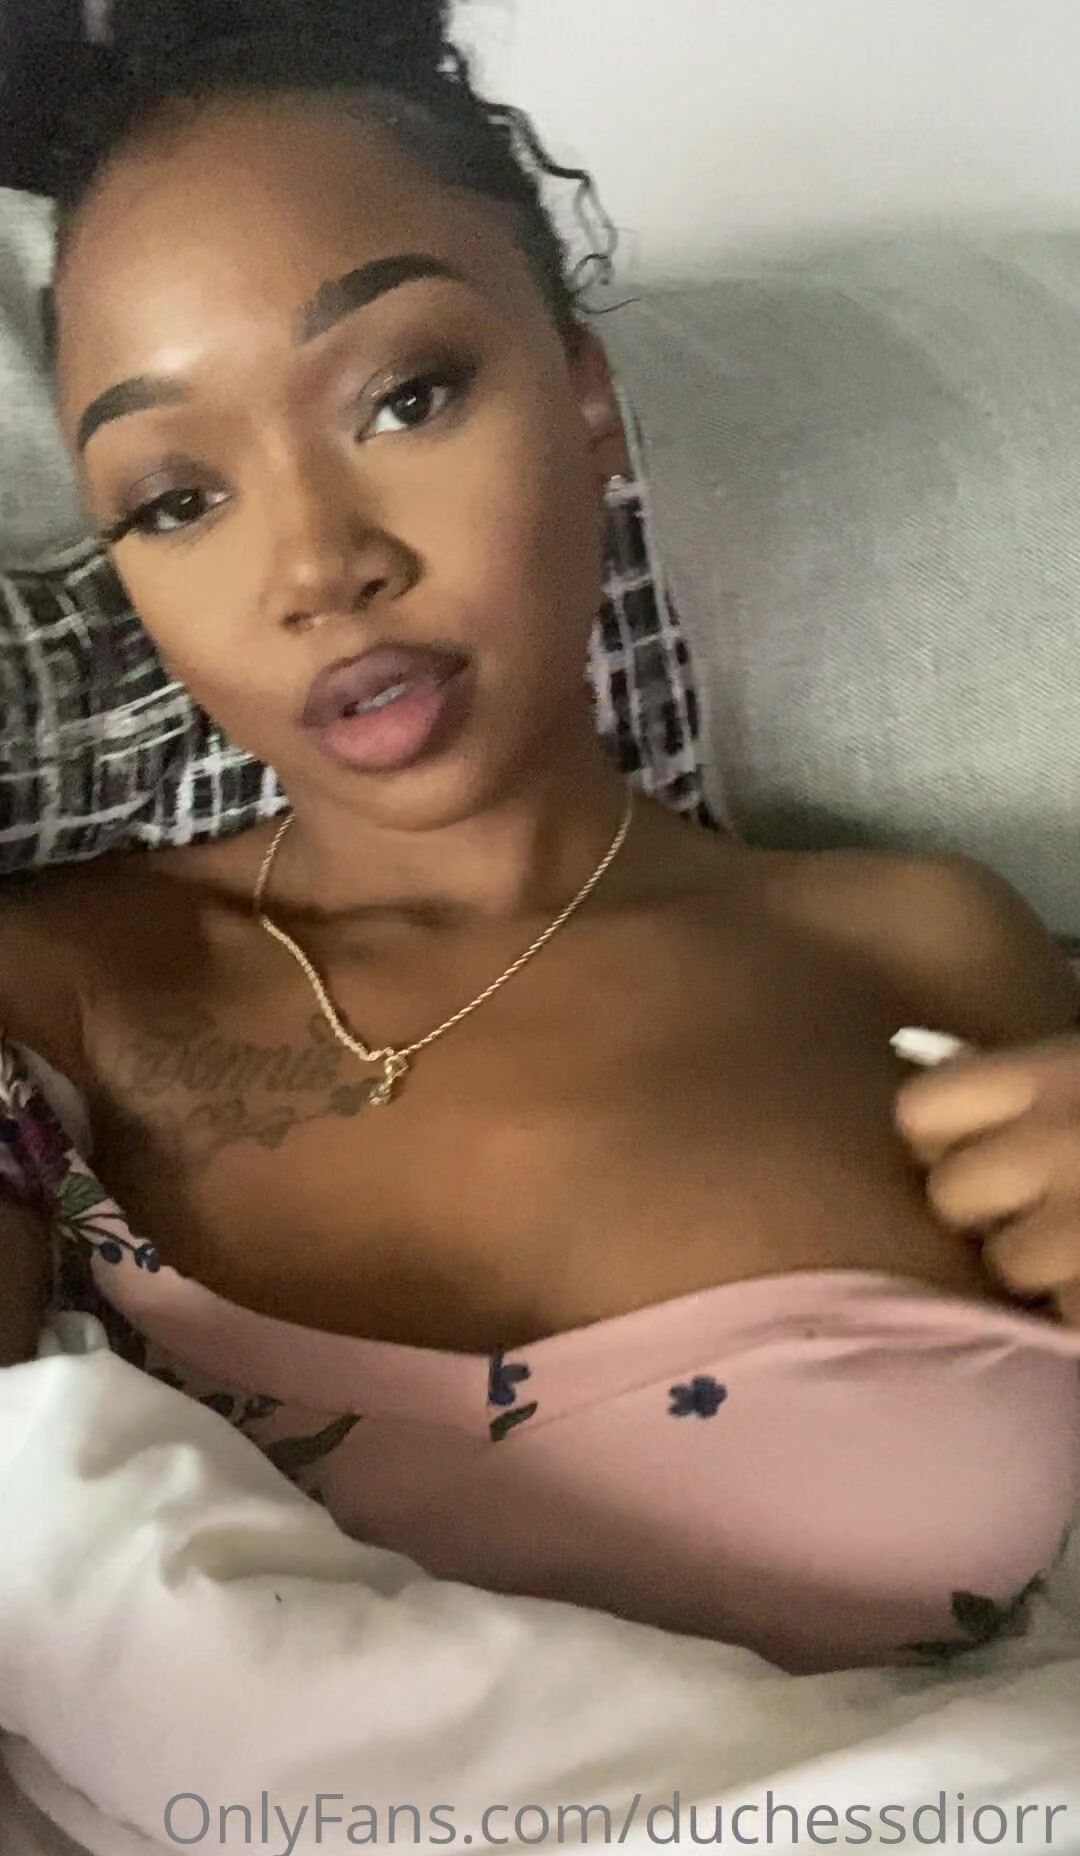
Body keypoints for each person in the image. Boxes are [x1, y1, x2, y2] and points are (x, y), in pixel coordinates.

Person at [2, 0, 1080, 1673]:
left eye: (405, 396)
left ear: (586, 400)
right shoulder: (54, 993)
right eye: (178, 498)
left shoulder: (916, 951)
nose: (319, 565)